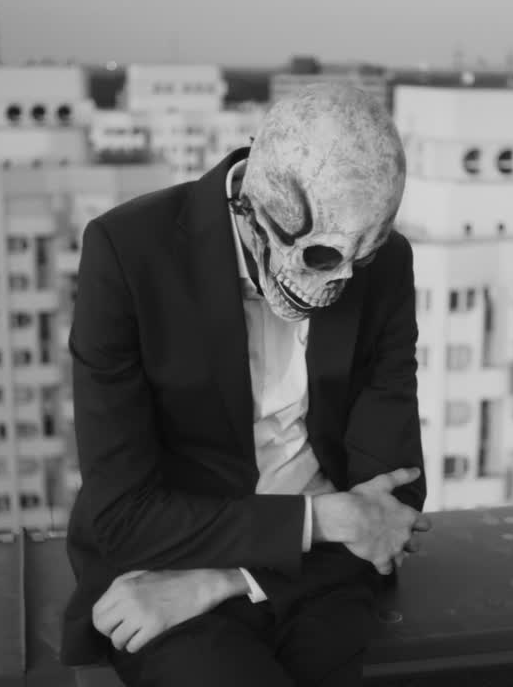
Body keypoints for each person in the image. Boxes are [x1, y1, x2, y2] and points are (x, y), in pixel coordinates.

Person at [60, 82, 431, 687]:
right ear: (256, 210)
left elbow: (395, 499)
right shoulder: (129, 253)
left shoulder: (387, 267)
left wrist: (227, 581)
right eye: (320, 259)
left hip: (320, 578)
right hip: (160, 571)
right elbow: (123, 516)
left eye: (357, 262)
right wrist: (325, 519)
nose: (337, 286)